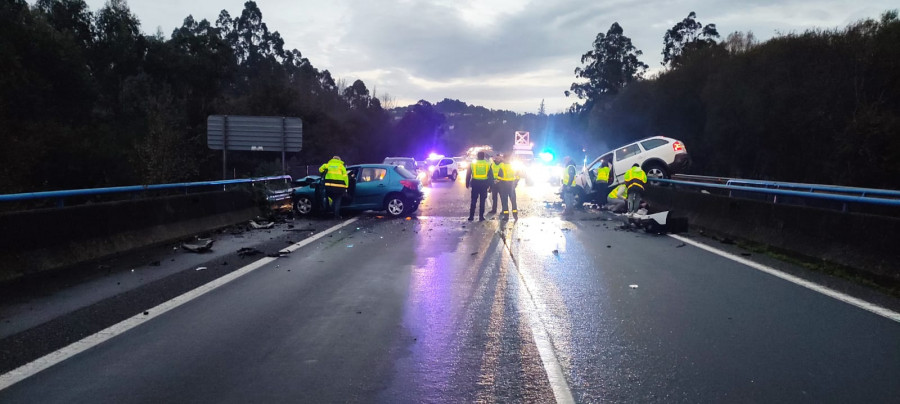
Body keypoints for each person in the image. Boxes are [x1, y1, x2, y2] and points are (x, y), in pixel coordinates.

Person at [465, 151, 493, 221]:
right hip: (484, 184)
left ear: (477, 156)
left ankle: (471, 216)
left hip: (475, 184)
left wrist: (467, 183)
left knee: (473, 200)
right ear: (484, 156)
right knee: (482, 201)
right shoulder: (487, 164)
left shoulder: (472, 164)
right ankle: (481, 217)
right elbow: (491, 176)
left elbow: (468, 174)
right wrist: (491, 187)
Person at [496, 154, 519, 220]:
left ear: (504, 158)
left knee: (504, 201)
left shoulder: (502, 166)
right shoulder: (513, 166)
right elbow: (518, 176)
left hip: (504, 185)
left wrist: (496, 182)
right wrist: (515, 183)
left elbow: (499, 177)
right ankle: (515, 215)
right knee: (513, 201)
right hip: (511, 185)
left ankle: (506, 216)